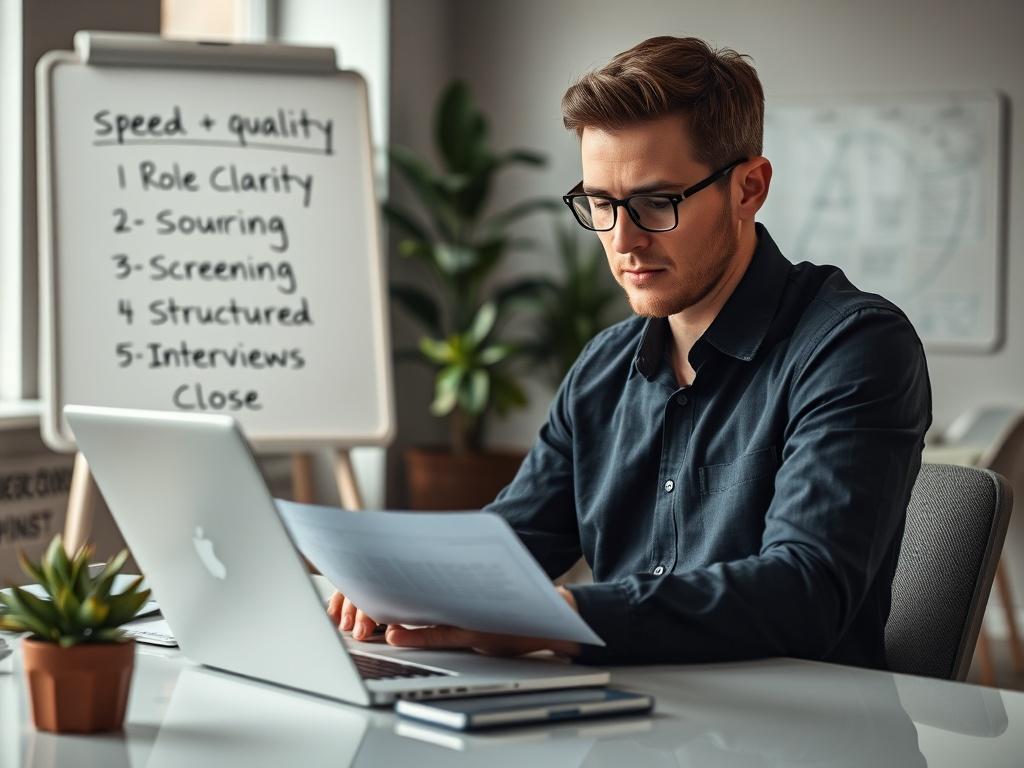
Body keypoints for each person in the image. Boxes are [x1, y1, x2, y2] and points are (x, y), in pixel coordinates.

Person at [329, 36, 932, 669]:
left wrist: (569, 619)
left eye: (655, 202)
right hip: (625, 719)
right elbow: (513, 539)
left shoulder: (854, 347)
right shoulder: (603, 367)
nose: (624, 241)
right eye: (601, 204)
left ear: (748, 188)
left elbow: (804, 591)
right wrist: (400, 579)